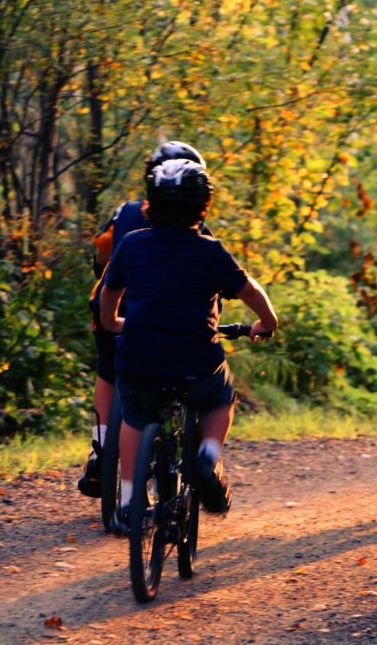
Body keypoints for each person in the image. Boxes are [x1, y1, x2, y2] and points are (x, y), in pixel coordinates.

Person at [99, 158, 278, 532]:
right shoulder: (210, 250)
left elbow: (108, 291)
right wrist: (267, 322)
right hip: (196, 359)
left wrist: (112, 322)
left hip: (141, 357)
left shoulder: (131, 245)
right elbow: (250, 291)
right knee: (220, 397)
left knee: (135, 417)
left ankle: (130, 502)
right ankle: (208, 459)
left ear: (150, 203)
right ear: (203, 207)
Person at [77, 141, 209, 498]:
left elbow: (101, 250)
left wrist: (104, 268)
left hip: (116, 315)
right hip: (173, 325)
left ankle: (101, 449)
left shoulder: (125, 213)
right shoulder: (199, 228)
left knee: (108, 369)